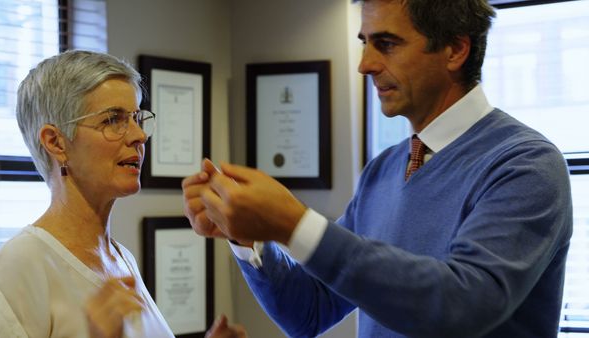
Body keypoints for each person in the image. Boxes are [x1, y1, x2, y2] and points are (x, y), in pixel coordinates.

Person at [182, 0, 573, 337]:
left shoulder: (525, 165)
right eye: (365, 43)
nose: (365, 65)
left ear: (455, 49)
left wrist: (296, 224)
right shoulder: (383, 170)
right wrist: (248, 237)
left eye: (386, 44)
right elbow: (309, 313)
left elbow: (461, 307)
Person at [0, 50, 246, 338]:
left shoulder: (122, 259)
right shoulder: (18, 266)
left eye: (136, 118)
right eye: (113, 120)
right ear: (56, 142)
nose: (138, 136)